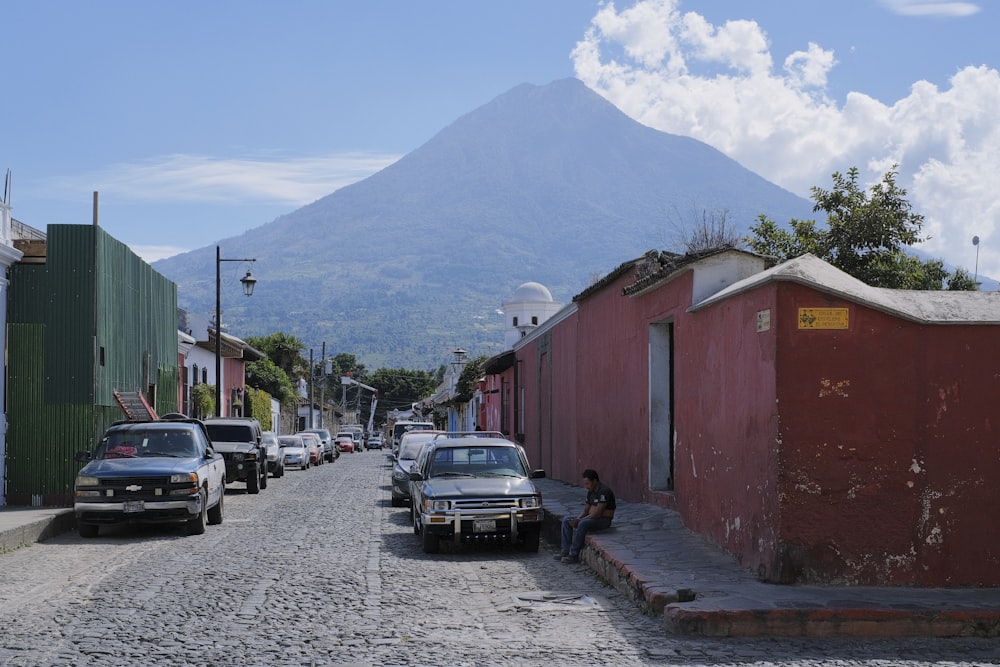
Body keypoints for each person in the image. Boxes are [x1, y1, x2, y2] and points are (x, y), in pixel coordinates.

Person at [556, 468, 616, 564]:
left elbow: (598, 513)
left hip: (603, 520)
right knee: (566, 520)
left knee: (583, 524)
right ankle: (565, 551)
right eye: (585, 484)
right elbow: (586, 510)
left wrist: (580, 521)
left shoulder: (604, 491)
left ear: (595, 481)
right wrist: (577, 518)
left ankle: (573, 554)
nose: (586, 486)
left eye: (588, 483)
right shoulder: (590, 492)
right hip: (591, 518)